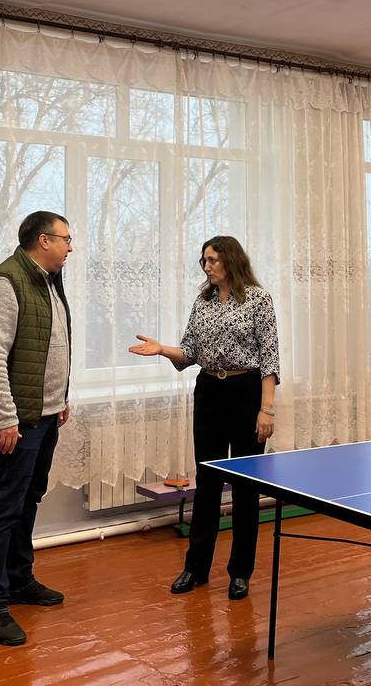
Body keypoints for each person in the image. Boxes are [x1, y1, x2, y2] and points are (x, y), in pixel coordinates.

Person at [128, 236, 279, 602]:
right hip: (209, 392)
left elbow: (270, 358)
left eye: (212, 260)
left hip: (246, 393)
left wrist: (266, 409)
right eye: (204, 261)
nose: (207, 266)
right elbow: (190, 353)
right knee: (207, 481)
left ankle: (240, 572)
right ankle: (195, 567)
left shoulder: (258, 299)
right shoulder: (203, 302)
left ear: (231, 260)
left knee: (245, 486)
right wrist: (163, 350)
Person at [0, 211, 74, 646]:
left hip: (45, 414)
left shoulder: (48, 281)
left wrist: (60, 398)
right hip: (16, 419)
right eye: (65, 239)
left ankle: (18, 578)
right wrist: (5, 417)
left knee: (28, 498)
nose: (70, 247)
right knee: (4, 507)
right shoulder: (4, 283)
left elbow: (52, 344)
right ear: (43, 240)